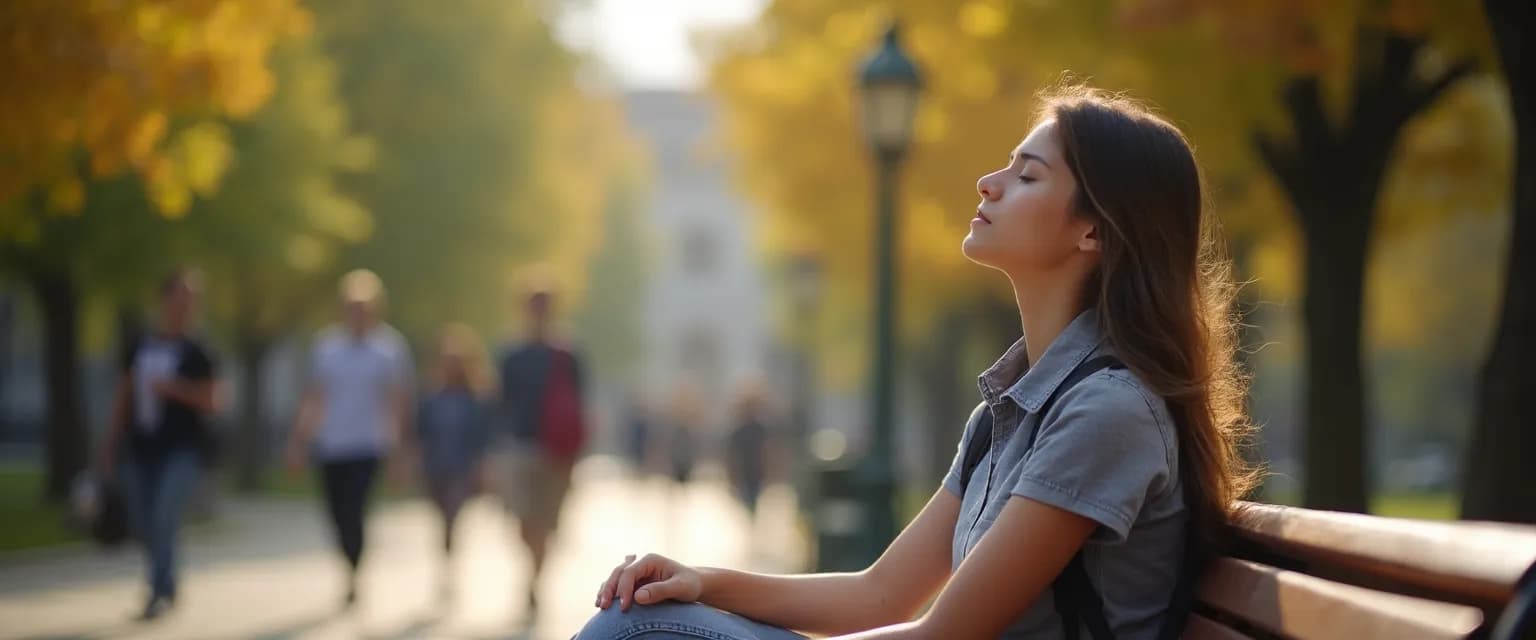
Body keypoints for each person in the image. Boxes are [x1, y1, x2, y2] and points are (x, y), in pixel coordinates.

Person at [576, 84, 1259, 639]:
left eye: (1027, 175)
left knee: (632, 635)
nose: (988, 183)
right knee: (646, 615)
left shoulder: (1106, 411)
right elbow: (880, 595)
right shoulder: (1010, 409)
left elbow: (941, 637)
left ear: (1092, 231)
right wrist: (703, 580)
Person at [285, 269, 414, 609]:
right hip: (331, 445)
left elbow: (398, 402)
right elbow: (313, 397)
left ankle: (355, 571)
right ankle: (347, 563)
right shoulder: (326, 347)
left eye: (364, 307)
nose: (358, 313)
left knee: (356, 510)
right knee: (336, 512)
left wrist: (401, 452)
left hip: (369, 444)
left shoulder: (389, 349)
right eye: (351, 306)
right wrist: (298, 441)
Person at [98, 268, 220, 621]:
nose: (187, 304)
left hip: (183, 450)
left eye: (193, 298)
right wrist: (109, 444)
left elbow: (214, 401)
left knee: (165, 514)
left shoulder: (199, 351)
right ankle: (166, 577)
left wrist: (175, 389)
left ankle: (157, 591)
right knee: (142, 520)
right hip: (140, 447)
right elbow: (123, 397)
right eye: (181, 296)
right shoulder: (141, 345)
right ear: (165, 298)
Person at [493, 286, 589, 623]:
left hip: (557, 451)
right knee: (522, 522)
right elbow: (499, 404)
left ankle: (535, 581)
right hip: (519, 447)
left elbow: (580, 405)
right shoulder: (511, 353)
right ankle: (532, 573)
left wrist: (576, 454)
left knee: (547, 522)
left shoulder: (567, 353)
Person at [417, 323, 493, 601]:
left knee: (452, 517)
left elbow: (484, 437)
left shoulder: (476, 399)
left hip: (462, 469)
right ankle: (445, 563)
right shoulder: (431, 398)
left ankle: (449, 569)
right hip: (436, 467)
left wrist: (482, 467)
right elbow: (420, 432)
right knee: (441, 519)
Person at [726, 382, 773, 520]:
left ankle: (752, 521)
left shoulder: (762, 428)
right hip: (744, 471)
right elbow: (732, 454)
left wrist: (770, 470)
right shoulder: (738, 430)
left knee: (753, 501)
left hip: (757, 471)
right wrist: (732, 474)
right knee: (746, 501)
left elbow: (768, 450)